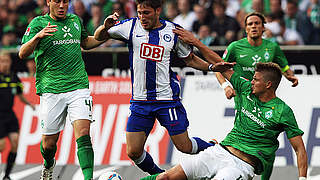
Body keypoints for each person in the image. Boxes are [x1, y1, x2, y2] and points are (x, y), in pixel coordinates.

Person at [141, 27, 308, 180]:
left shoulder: (282, 111)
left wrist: (302, 178)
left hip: (241, 166)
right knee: (165, 178)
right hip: (219, 151)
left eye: (255, 80)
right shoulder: (245, 88)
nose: (251, 82)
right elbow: (220, 64)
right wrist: (196, 42)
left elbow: (299, 149)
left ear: (268, 85)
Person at [93, 0, 227, 175]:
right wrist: (104, 27)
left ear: (158, 11)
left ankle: (215, 149)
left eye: (146, 13)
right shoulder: (131, 26)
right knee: (133, 151)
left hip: (166, 100)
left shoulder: (172, 31)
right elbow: (98, 37)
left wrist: (210, 67)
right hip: (140, 101)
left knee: (184, 146)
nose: (142, 17)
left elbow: (190, 59)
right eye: (140, 12)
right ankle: (159, 175)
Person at [18, 0, 107, 179]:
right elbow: (22, 53)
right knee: (49, 144)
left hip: (78, 86)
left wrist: (107, 32)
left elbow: (86, 42)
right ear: (48, 2)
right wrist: (37, 38)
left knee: (83, 133)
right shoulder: (38, 23)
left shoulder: (75, 20)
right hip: (51, 89)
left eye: (65, 1)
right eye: (57, 1)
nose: (61, 5)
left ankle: (88, 177)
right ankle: (48, 165)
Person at [215, 12, 299, 180]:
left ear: (263, 27)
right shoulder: (234, 47)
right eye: (250, 24)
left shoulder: (272, 47)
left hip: (265, 98)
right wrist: (225, 86)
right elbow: (219, 68)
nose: (253, 26)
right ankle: (238, 167)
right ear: (245, 28)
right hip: (244, 97)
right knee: (246, 135)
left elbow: (283, 65)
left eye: (257, 23)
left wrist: (290, 75)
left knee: (267, 141)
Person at [0, 51, 35, 180]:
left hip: (10, 114)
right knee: (2, 146)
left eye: (6, 61)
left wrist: (29, 104)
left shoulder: (14, 78)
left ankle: (7, 175)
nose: (4, 64)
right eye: (2, 61)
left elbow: (19, 95)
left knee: (15, 142)